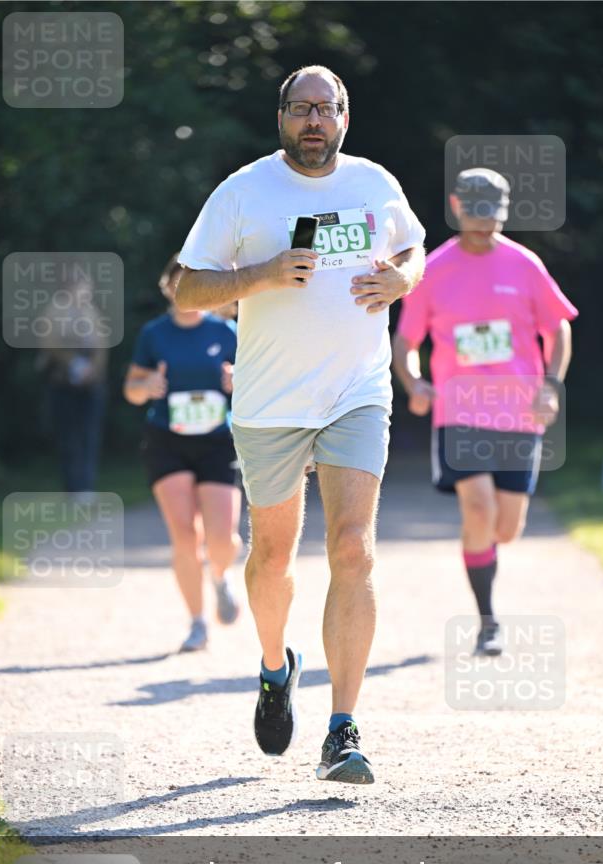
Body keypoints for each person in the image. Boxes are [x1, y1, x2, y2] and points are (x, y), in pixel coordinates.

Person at [175, 65, 425, 783]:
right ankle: (274, 664)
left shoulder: (374, 183)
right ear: (279, 116)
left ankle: (342, 729)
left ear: (345, 116)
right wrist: (260, 274)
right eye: (301, 109)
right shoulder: (243, 190)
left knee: (352, 547)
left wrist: (404, 278)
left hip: (355, 391)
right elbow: (187, 284)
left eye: (327, 109)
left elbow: (413, 246)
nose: (314, 121)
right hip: (270, 402)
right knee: (272, 558)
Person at [394, 167, 577, 655]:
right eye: (474, 216)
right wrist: (414, 382)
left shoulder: (524, 264)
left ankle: (483, 551)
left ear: (503, 213)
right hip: (459, 412)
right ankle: (488, 622)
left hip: (518, 412)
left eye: (491, 218)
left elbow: (558, 327)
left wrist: (551, 386)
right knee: (477, 508)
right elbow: (406, 339)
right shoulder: (432, 269)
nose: (483, 226)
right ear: (456, 207)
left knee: (505, 527)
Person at [124, 255, 242, 652]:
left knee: (222, 539)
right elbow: (132, 389)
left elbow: (256, 385)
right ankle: (196, 623)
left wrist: (236, 381)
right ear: (168, 287)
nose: (185, 290)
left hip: (216, 442)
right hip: (166, 441)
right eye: (179, 282)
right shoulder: (154, 334)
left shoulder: (228, 332)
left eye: (194, 282)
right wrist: (149, 385)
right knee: (184, 537)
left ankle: (221, 577)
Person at [38, 271, 108, 503]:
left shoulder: (91, 311)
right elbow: (50, 345)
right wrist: (74, 364)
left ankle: (87, 487)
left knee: (89, 435)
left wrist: (93, 370)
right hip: (63, 382)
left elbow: (102, 345)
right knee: (69, 436)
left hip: (91, 384)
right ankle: (73, 488)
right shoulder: (55, 311)